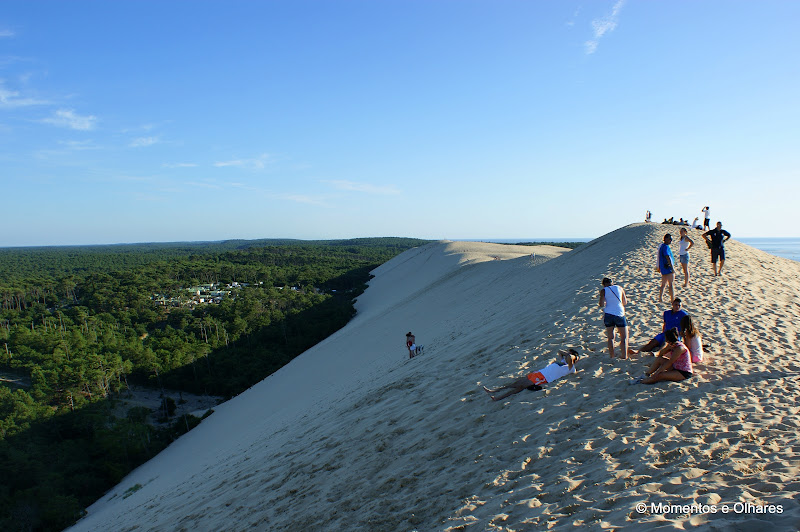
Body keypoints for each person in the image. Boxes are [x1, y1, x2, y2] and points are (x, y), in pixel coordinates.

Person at [483, 350, 579, 401]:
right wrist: (567, 353)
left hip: (543, 378)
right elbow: (559, 351)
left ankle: (498, 398)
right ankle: (494, 391)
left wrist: (572, 355)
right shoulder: (563, 362)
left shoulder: (571, 368)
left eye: (568, 354)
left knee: (519, 387)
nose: (566, 355)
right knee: (515, 383)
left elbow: (570, 357)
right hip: (538, 373)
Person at [598, 277, 628, 359]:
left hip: (608, 314)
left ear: (603, 284)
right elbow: (625, 302)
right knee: (624, 337)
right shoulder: (619, 288)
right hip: (619, 313)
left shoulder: (604, 290)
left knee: (611, 337)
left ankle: (612, 356)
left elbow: (601, 304)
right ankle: (624, 356)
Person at [656, 233, 676, 303]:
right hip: (667, 268)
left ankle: (660, 298)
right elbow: (667, 256)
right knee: (671, 284)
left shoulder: (662, 246)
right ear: (666, 239)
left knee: (663, 284)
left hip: (663, 268)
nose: (670, 240)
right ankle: (672, 299)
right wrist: (672, 267)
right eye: (670, 239)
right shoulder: (665, 247)